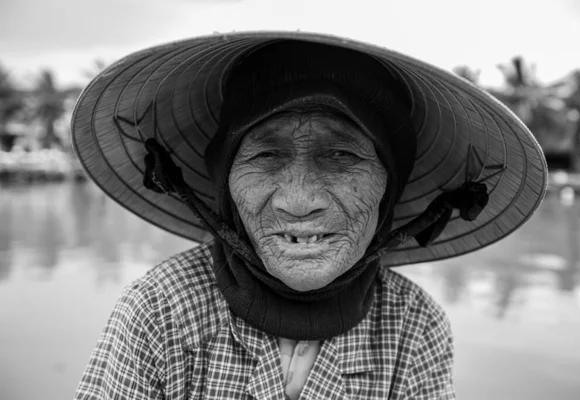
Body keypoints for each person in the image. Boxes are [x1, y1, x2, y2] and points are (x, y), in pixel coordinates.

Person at [71, 32, 547, 399]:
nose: (298, 201)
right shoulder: (161, 309)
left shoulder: (410, 324)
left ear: (390, 186)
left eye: (341, 155)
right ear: (224, 182)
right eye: (265, 156)